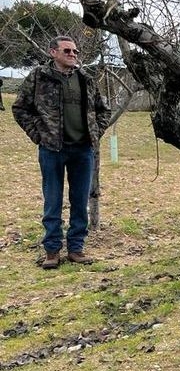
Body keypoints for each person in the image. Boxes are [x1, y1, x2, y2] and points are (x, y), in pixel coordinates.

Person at [13, 36, 111, 269]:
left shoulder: (85, 78)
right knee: (53, 201)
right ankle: (52, 251)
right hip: (52, 150)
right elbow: (20, 108)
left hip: (82, 150)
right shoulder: (39, 77)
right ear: (53, 52)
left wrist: (95, 133)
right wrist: (38, 135)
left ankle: (76, 249)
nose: (73, 54)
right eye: (67, 50)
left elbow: (103, 109)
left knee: (79, 202)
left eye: (75, 51)